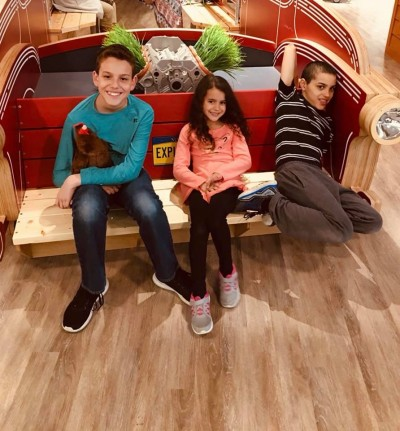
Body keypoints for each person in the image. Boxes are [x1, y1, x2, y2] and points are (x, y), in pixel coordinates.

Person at [53, 44, 191, 333]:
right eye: (107, 76)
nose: (114, 85)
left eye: (123, 78)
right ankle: (92, 287)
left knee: (149, 207)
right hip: (92, 182)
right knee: (87, 212)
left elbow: (130, 168)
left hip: (126, 177)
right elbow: (61, 173)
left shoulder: (143, 112)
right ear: (95, 78)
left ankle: (168, 273)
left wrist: (79, 179)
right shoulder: (77, 118)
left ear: (133, 81)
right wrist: (90, 180)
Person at [235, 43, 382, 243]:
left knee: (372, 221)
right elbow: (289, 50)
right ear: (303, 84)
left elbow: (322, 154)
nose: (327, 94)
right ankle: (270, 202)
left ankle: (297, 202)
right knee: (342, 231)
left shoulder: (327, 122)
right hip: (294, 169)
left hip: (318, 176)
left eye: (331, 89)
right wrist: (306, 46)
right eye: (320, 86)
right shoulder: (289, 99)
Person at [173, 74, 251, 335]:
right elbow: (179, 168)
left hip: (226, 183)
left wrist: (220, 175)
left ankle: (227, 273)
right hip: (198, 186)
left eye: (222, 102)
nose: (217, 107)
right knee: (198, 228)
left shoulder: (233, 130)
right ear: (201, 102)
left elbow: (244, 160)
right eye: (211, 101)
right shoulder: (189, 131)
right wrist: (200, 182)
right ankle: (198, 294)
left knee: (215, 219)